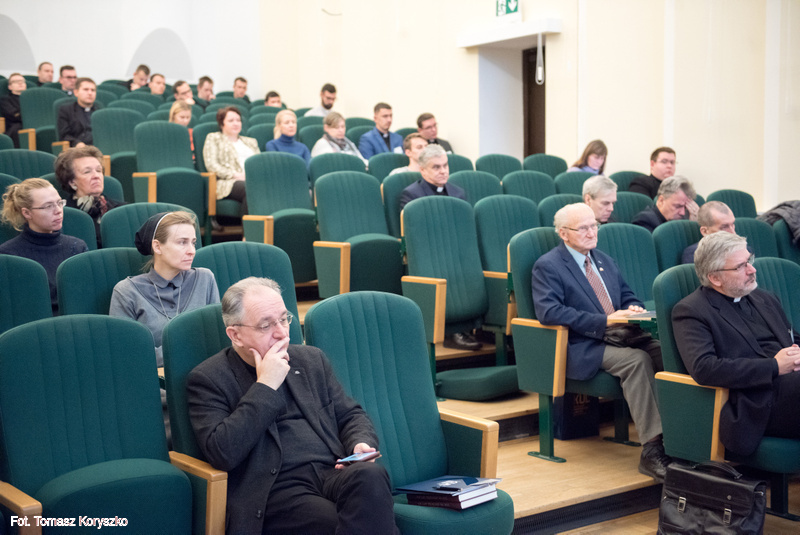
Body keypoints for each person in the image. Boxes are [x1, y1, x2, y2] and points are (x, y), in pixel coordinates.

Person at [187, 277, 397, 534]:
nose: (281, 333)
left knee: (372, 476)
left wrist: (359, 443)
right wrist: (266, 385)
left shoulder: (310, 359)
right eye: (266, 325)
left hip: (331, 471)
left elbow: (350, 415)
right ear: (236, 335)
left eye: (284, 319)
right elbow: (223, 452)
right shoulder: (209, 378)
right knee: (342, 522)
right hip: (275, 488)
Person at [531, 203, 670, 480]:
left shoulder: (603, 259)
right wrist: (604, 321)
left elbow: (628, 295)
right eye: (583, 228)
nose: (591, 232)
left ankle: (682, 439)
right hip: (581, 344)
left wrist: (633, 309)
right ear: (563, 233)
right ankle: (652, 449)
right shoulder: (548, 265)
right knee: (637, 361)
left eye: (594, 225)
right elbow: (550, 312)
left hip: (621, 334)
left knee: (667, 353)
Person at [672, 232, 800, 457]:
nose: (752, 270)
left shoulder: (765, 298)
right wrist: (774, 366)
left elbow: (793, 338)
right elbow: (704, 368)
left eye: (749, 261)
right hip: (756, 402)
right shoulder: (692, 311)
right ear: (715, 278)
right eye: (741, 266)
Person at [109, 211, 219, 366]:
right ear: (157, 246)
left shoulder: (204, 278)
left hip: (205, 373)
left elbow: (216, 339)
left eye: (193, 243)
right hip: (154, 378)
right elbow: (127, 353)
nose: (192, 250)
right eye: (182, 242)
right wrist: (192, 349)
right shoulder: (127, 291)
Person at [399, 144, 476, 351]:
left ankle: (469, 326)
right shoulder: (411, 195)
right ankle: (451, 331)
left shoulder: (458, 192)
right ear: (422, 170)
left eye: (445, 165)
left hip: (456, 250)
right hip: (427, 253)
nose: (443, 171)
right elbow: (413, 231)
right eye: (436, 167)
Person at [0, 178, 88, 313]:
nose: (58, 210)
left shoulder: (77, 247)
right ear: (27, 213)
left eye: (59, 203)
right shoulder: (8, 255)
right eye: (48, 206)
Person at [55, 146, 124, 248]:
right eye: (87, 172)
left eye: (99, 170)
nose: (96, 176)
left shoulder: (120, 210)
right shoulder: (64, 215)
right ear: (72, 182)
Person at [203, 106, 259, 213]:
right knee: (249, 188)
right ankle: (249, 224)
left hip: (253, 179)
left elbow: (259, 164)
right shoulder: (214, 138)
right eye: (231, 120)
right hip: (228, 182)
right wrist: (235, 175)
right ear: (222, 123)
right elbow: (212, 165)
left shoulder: (251, 142)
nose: (236, 123)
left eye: (238, 120)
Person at [632, 175, 698, 232]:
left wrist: (694, 226)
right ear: (661, 200)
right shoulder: (644, 220)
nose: (682, 213)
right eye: (677, 206)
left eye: (685, 207)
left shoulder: (686, 218)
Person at [57, 77, 98, 147]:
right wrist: (77, 143)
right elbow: (64, 135)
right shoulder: (66, 110)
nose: (90, 93)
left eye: (93, 90)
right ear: (76, 92)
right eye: (86, 89)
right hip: (77, 149)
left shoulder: (99, 111)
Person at [0, 73, 26, 148]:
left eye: (22, 81)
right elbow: (13, 115)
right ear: (10, 86)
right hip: (14, 128)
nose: (20, 83)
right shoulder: (5, 99)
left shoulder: (32, 99)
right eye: (16, 81)